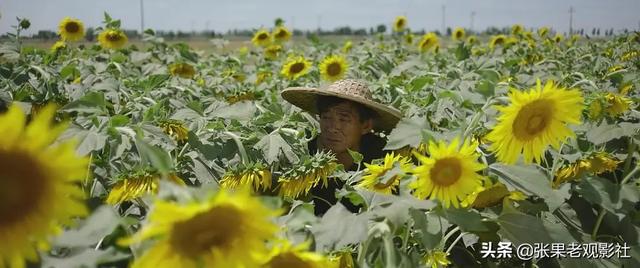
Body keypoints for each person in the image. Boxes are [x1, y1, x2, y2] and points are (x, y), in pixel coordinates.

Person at [281, 79, 402, 215]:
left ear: (366, 126)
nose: (333, 128)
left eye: (343, 119)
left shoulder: (382, 157)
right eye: (326, 117)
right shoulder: (301, 155)